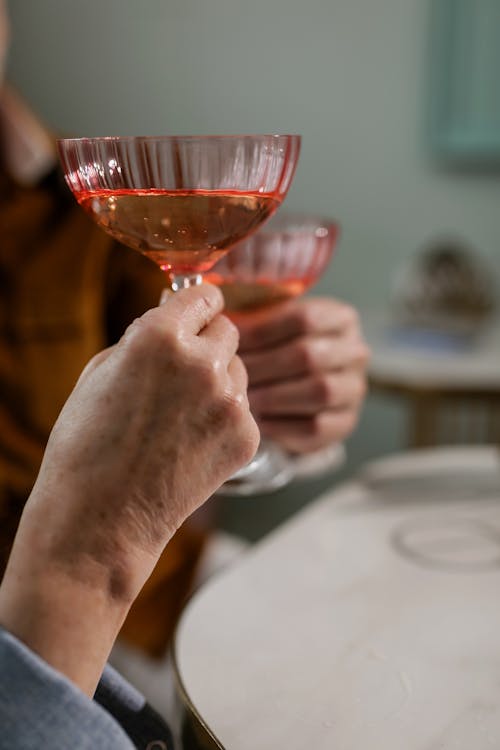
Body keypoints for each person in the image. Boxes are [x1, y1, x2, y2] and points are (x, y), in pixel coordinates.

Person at [0, 1, 369, 659]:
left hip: (156, 598)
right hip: (43, 630)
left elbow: (196, 362)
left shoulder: (74, 194)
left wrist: (294, 398)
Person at [0, 283, 259, 749]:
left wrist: (274, 396)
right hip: (57, 608)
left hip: (164, 573)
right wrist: (93, 558)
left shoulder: (84, 222)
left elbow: (167, 377)